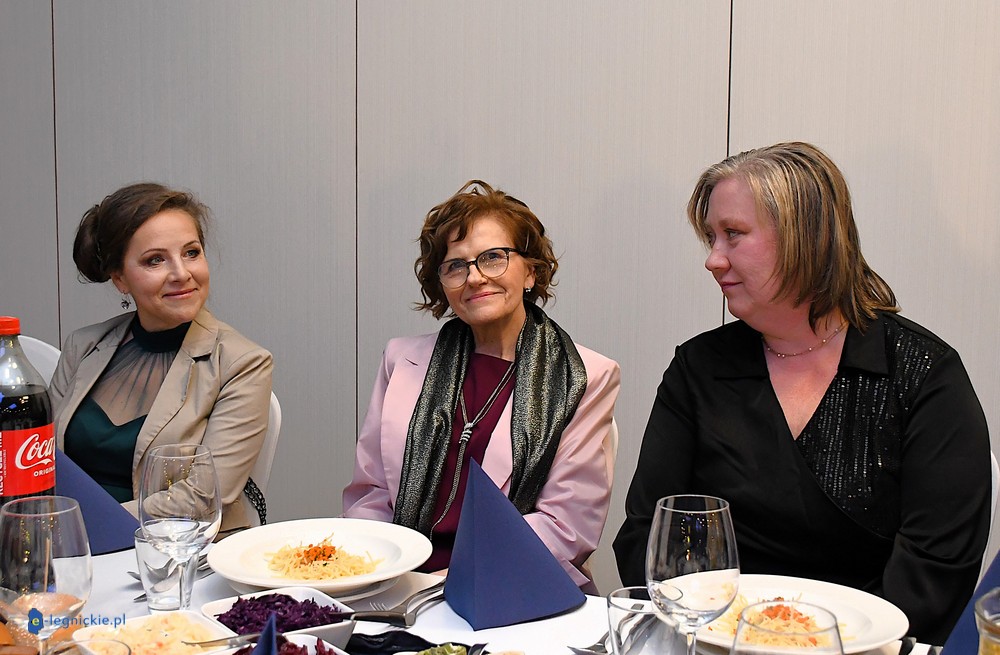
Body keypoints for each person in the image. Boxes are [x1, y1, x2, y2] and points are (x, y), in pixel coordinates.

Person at [612, 142, 990, 644]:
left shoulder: (920, 374)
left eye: (733, 234)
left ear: (805, 238)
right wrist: (728, 633)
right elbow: (648, 533)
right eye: (711, 237)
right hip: (715, 641)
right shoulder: (700, 369)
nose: (713, 260)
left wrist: (816, 641)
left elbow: (936, 573)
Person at [343, 180, 620, 590]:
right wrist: (378, 574)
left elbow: (565, 527)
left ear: (531, 271)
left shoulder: (585, 375)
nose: (473, 277)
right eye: (456, 265)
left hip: (511, 586)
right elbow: (370, 495)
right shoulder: (401, 360)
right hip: (398, 582)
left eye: (493, 258)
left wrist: (450, 581)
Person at [50, 182, 273, 536]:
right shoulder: (83, 346)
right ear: (120, 278)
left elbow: (202, 497)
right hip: (68, 547)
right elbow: (44, 461)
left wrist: (80, 525)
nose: (182, 273)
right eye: (155, 260)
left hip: (179, 550)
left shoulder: (242, 364)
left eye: (191, 253)